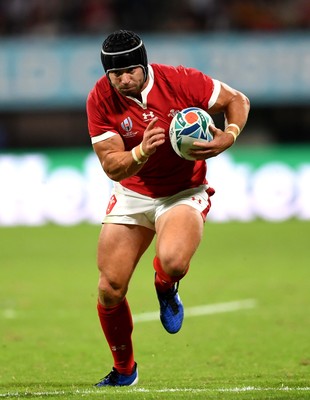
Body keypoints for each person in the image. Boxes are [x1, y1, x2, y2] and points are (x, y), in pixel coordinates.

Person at [86, 29, 250, 387]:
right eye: (116, 75)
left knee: (174, 261)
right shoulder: (100, 99)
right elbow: (113, 165)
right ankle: (125, 370)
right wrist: (141, 151)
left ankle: (166, 287)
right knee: (109, 287)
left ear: (145, 66)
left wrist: (229, 133)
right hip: (132, 193)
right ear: (107, 75)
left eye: (132, 71)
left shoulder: (182, 80)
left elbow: (238, 100)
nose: (125, 80)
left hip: (183, 191)